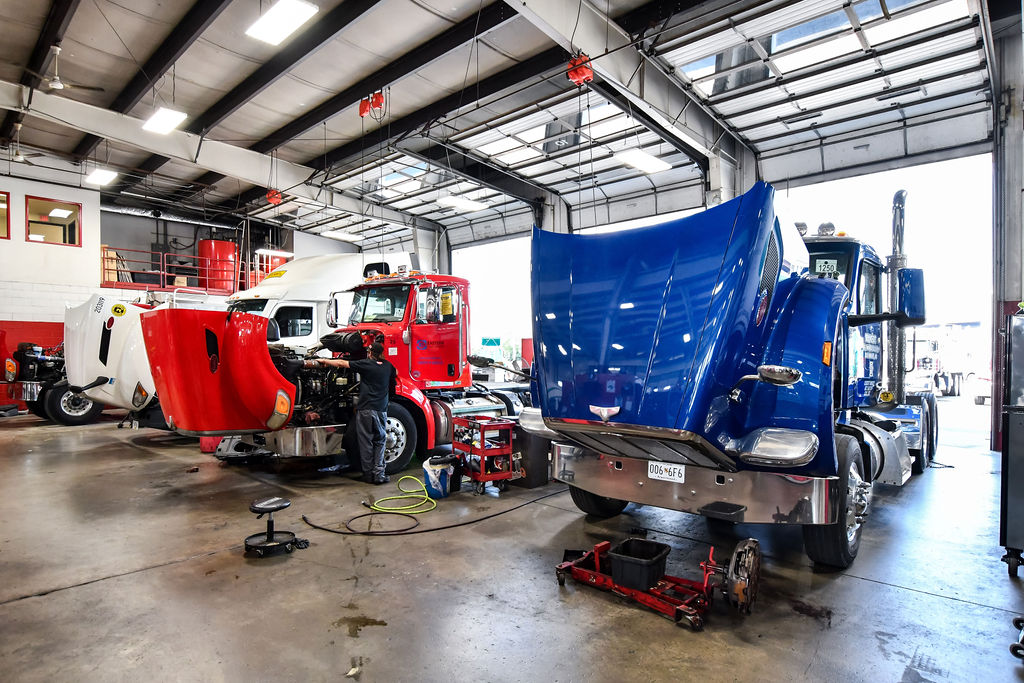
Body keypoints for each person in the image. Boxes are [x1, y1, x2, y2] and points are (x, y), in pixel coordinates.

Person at [305, 341, 396, 484]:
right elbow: (394, 382)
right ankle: (379, 474)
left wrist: (323, 360)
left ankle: (368, 474)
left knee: (366, 442)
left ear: (370, 353)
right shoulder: (388, 366)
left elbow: (342, 363)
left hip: (365, 409)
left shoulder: (366, 364)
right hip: (381, 409)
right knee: (380, 441)